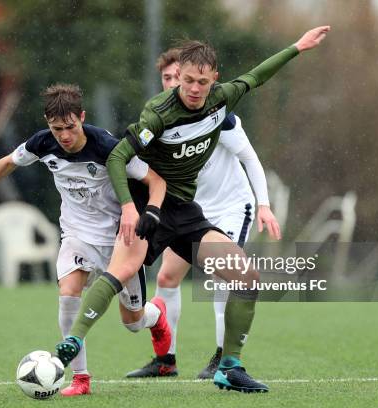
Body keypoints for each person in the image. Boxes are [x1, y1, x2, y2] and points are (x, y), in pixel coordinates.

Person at [55, 26, 330, 393]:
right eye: (187, 81)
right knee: (123, 275)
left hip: (185, 211)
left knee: (246, 278)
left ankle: (229, 367)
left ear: (214, 79)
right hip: (149, 206)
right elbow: (119, 156)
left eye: (202, 81)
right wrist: (129, 208)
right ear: (178, 78)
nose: (194, 89)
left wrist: (297, 46)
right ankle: (72, 342)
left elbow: (257, 75)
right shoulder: (159, 113)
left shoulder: (222, 98)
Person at [0, 84, 170, 396]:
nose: (64, 136)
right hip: (76, 234)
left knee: (132, 322)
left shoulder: (107, 145)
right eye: (56, 129)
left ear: (82, 117)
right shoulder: (42, 143)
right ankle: (81, 379)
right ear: (46, 123)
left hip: (119, 239)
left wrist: (151, 212)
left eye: (70, 127)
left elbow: (155, 180)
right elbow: (6, 163)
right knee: (68, 294)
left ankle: (156, 314)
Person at [126, 49, 282, 379]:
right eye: (168, 78)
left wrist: (264, 204)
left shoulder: (218, 115)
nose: (177, 84)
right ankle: (165, 360)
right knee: (167, 278)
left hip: (230, 207)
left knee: (222, 278)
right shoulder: (161, 118)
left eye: (179, 78)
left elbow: (250, 158)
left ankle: (223, 359)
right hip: (190, 211)